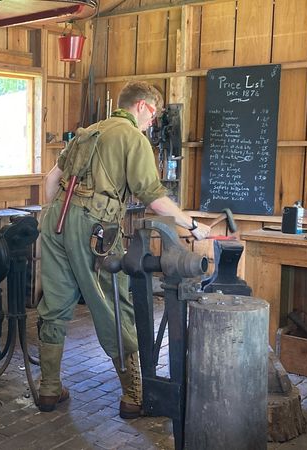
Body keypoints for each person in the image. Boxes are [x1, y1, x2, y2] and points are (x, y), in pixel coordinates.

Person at [36, 81, 211, 417]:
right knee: (113, 303)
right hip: (93, 226)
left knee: (54, 303)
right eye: (154, 114)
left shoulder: (87, 132)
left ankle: (48, 389)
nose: (153, 122)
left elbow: (49, 181)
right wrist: (191, 224)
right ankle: (133, 396)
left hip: (55, 217)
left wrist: (60, 223)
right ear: (143, 106)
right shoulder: (132, 137)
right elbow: (155, 199)